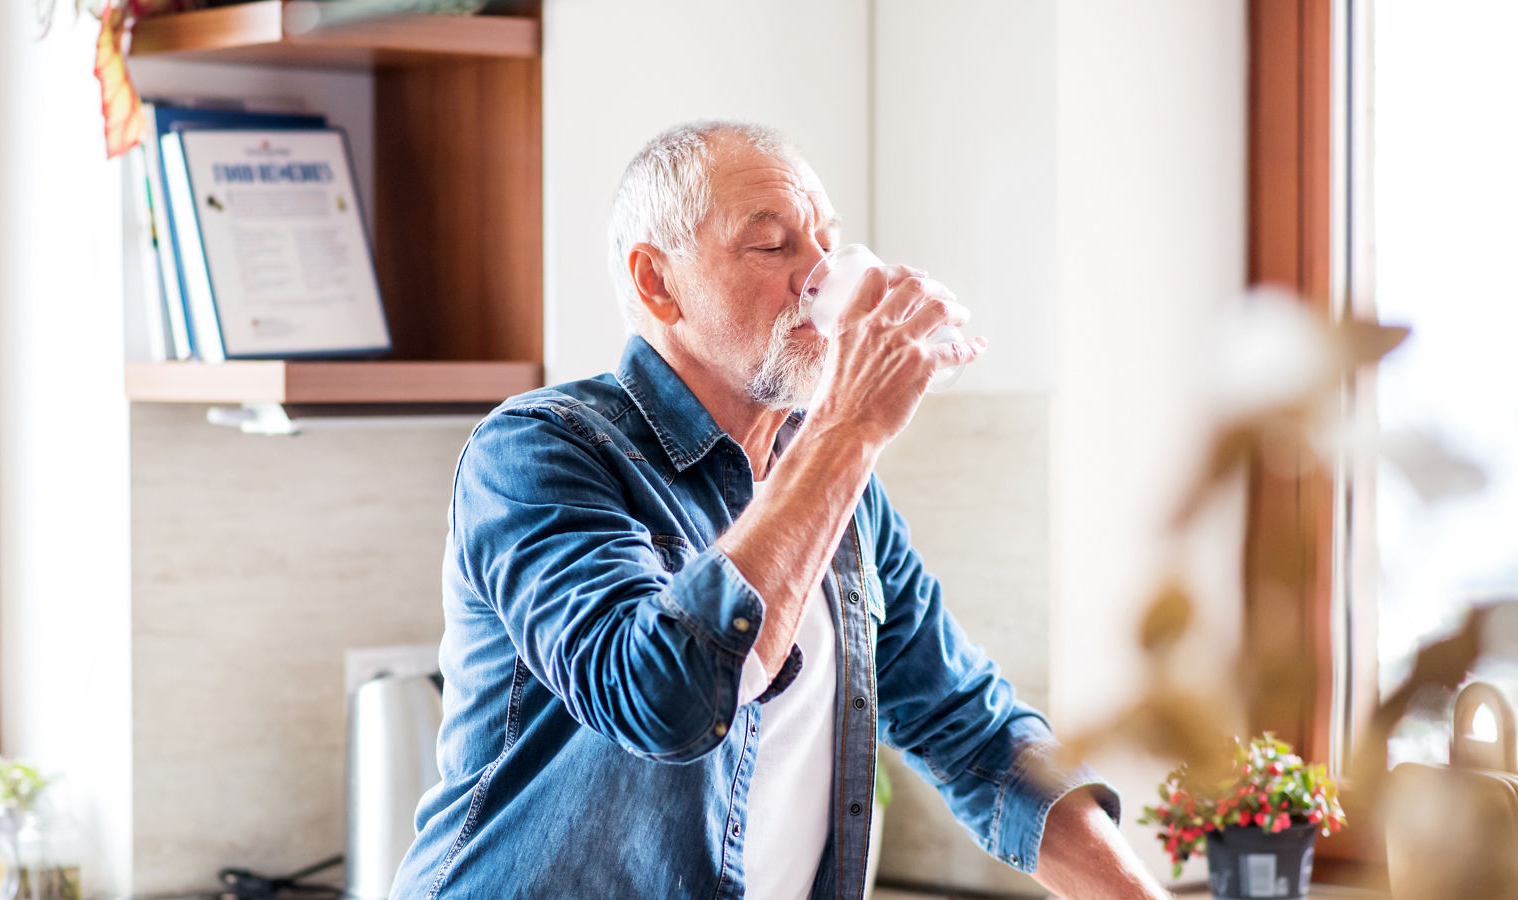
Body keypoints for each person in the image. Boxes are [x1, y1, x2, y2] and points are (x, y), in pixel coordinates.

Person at [390, 120, 1170, 900]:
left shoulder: (840, 485)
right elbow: (661, 699)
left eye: (826, 244)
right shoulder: (540, 451)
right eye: (772, 246)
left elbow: (974, 731)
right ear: (658, 283)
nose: (819, 277)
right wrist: (849, 426)